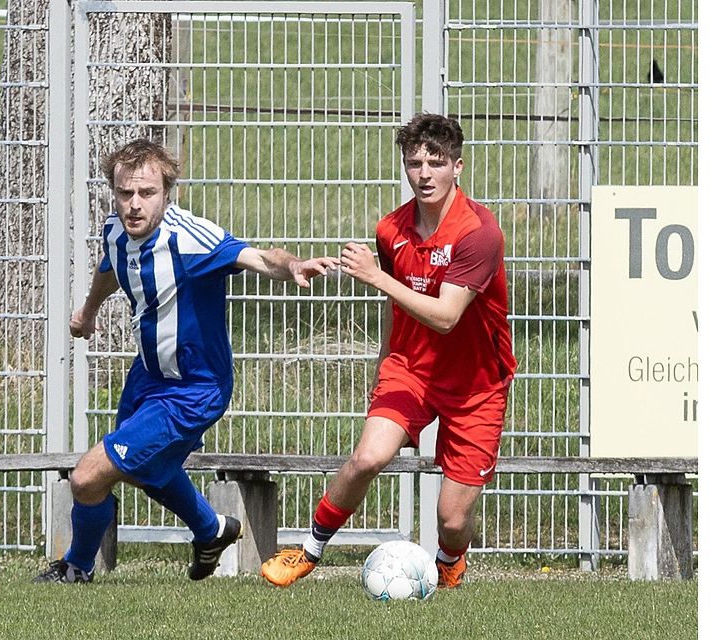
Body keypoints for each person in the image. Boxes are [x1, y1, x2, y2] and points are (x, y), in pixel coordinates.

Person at [35, 139, 338, 584]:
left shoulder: (192, 239)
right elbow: (111, 266)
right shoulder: (116, 230)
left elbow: (257, 257)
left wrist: (291, 266)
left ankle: (76, 567)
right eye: (125, 193)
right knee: (143, 468)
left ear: (167, 193)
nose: (134, 205)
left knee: (88, 476)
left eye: (147, 193)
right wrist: (88, 311)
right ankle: (211, 530)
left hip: (194, 388)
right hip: (148, 376)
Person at [260, 113, 516, 589]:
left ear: (457, 167)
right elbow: (394, 308)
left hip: (476, 384)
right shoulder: (390, 229)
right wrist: (384, 365)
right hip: (411, 369)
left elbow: (446, 316)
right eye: (414, 163)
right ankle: (308, 551)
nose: (424, 174)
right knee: (367, 458)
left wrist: (376, 276)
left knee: (452, 518)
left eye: (436, 163)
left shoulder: (479, 232)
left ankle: (449, 561)